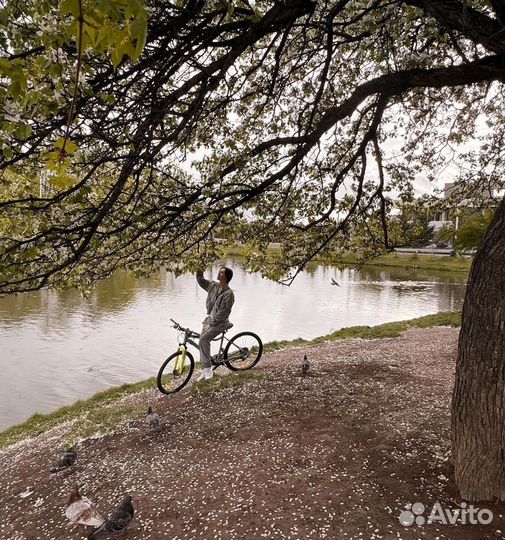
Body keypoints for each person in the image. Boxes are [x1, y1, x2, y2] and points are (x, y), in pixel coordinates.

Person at [195, 266, 235, 381]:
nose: (219, 273)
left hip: (220, 323)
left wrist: (212, 323)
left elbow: (223, 312)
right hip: (210, 321)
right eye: (219, 271)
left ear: (227, 277)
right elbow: (201, 281)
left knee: (203, 340)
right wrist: (199, 267)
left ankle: (208, 370)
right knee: (201, 342)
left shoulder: (229, 294)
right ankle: (205, 370)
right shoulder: (213, 286)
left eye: (222, 272)